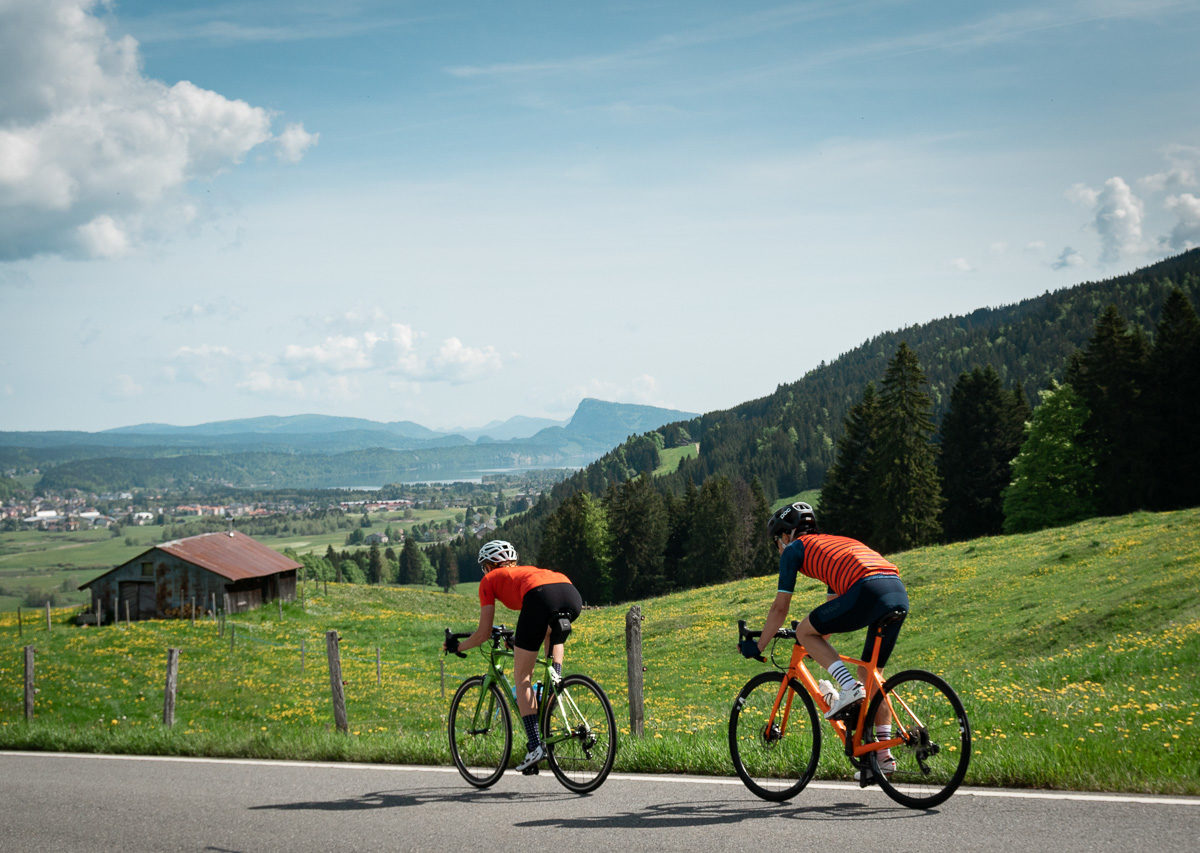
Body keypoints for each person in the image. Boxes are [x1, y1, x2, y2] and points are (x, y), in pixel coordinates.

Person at [740, 502, 910, 776]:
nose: (779, 548)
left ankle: (848, 688)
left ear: (786, 536)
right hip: (896, 589)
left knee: (808, 631)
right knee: (871, 674)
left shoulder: (794, 549)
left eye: (777, 542)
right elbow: (831, 616)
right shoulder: (833, 546)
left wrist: (757, 646)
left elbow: (780, 608)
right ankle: (882, 756)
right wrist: (810, 643)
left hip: (867, 587)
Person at [443, 539, 582, 774]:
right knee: (552, 634)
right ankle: (554, 683)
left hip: (540, 597)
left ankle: (535, 746)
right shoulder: (525, 572)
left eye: (484, 567)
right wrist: (518, 641)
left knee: (522, 677)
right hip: (569, 591)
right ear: (512, 561)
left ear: (488, 566)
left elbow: (484, 633)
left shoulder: (489, 580)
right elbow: (536, 623)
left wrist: (459, 647)